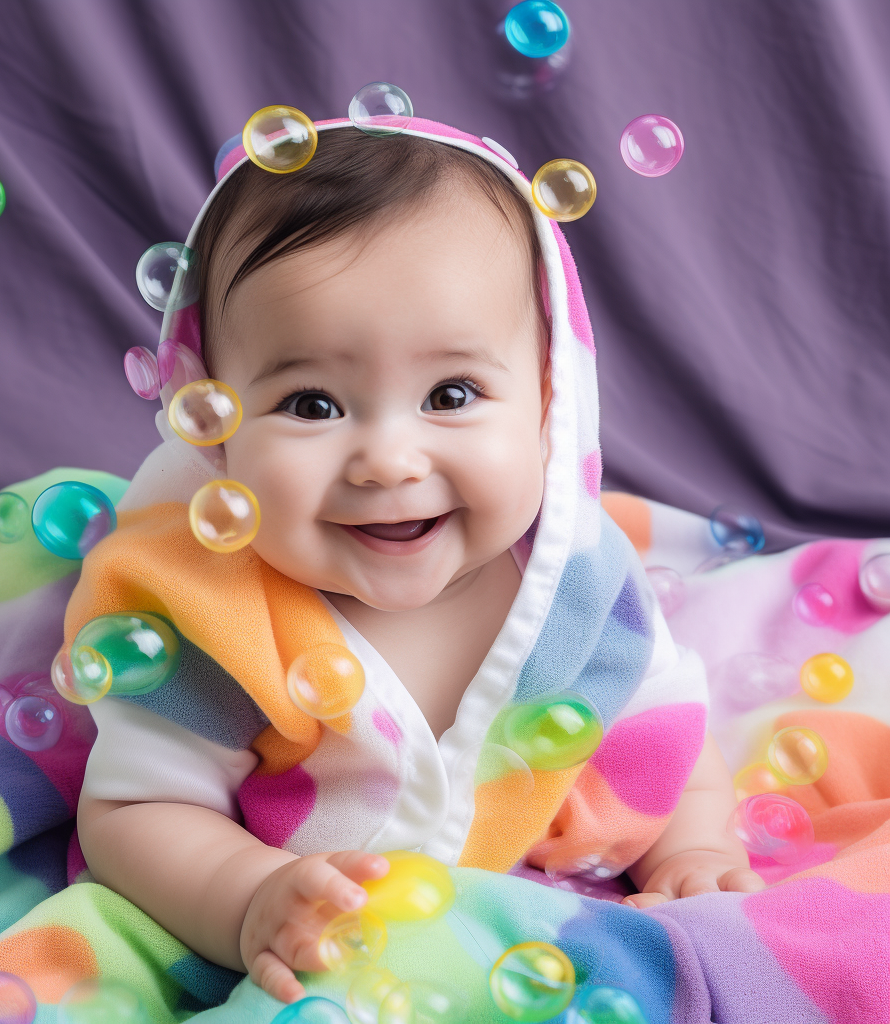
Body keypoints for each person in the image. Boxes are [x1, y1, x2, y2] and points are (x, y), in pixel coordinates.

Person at [72, 121, 764, 1005]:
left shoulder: (580, 587)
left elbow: (665, 732)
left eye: (452, 395)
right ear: (214, 425)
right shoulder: (206, 609)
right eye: (311, 403)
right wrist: (245, 897)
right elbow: (135, 812)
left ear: (551, 398)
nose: (388, 460)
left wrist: (695, 848)